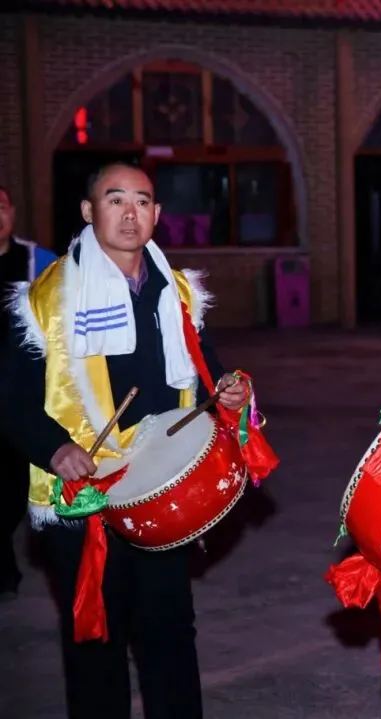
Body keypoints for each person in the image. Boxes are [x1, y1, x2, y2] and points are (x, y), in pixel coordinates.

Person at [0, 162, 251, 719]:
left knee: (170, 634)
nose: (130, 213)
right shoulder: (47, 298)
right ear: (88, 211)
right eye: (115, 200)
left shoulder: (176, 289)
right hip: (81, 495)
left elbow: (203, 367)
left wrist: (226, 387)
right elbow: (12, 398)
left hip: (159, 491)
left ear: (157, 214)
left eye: (142, 201)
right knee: (96, 642)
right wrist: (55, 448)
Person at [0, 185, 57, 597]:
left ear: (13, 212)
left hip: (25, 392)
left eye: (0, 206)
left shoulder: (41, 263)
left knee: (16, 483)